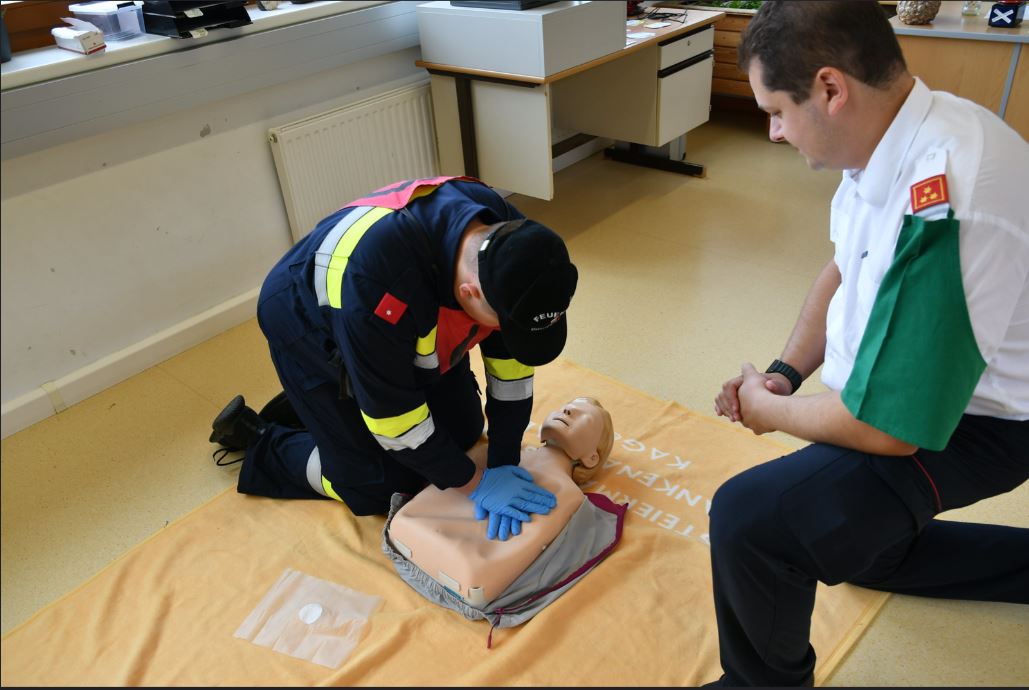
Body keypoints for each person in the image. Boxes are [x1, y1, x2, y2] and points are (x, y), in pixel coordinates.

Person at [706, 2, 1029, 686]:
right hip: (913, 393)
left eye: (775, 111)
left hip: (986, 425)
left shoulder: (945, 198)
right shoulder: (887, 136)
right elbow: (842, 268)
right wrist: (784, 374)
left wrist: (766, 413)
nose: (770, 133)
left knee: (750, 519)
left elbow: (887, 428)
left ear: (829, 89)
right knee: (860, 550)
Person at [208, 176, 580, 540]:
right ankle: (264, 436)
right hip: (309, 324)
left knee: (463, 433)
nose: (505, 336)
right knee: (379, 484)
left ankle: (340, 401)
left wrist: (503, 457)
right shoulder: (379, 289)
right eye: (505, 326)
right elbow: (396, 422)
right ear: (469, 294)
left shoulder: (513, 241)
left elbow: (511, 364)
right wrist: (474, 485)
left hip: (389, 327)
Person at [386, 397, 616, 609]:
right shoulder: (492, 450)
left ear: (592, 457)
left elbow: (502, 562)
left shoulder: (567, 493)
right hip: (425, 535)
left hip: (466, 568)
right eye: (567, 405)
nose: (567, 409)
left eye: (584, 415)